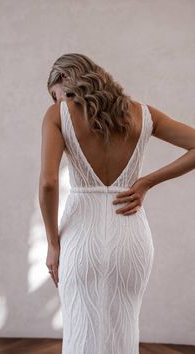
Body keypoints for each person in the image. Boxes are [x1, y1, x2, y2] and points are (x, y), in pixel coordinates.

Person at [39, 53, 195, 354]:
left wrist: (52, 244)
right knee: (123, 327)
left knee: (80, 329)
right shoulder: (144, 113)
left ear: (62, 79)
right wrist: (146, 182)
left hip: (80, 235)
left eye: (53, 94)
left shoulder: (57, 114)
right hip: (131, 234)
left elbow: (48, 182)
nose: (54, 101)